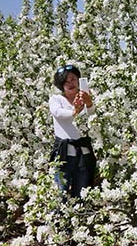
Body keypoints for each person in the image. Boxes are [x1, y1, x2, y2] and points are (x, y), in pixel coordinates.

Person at [49, 65, 97, 198]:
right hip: (64, 154)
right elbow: (58, 113)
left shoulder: (85, 99)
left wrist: (89, 104)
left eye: (73, 79)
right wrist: (75, 111)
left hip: (83, 154)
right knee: (60, 192)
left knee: (82, 193)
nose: (70, 83)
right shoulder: (56, 99)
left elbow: (92, 115)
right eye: (66, 81)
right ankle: (58, 218)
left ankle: (80, 216)